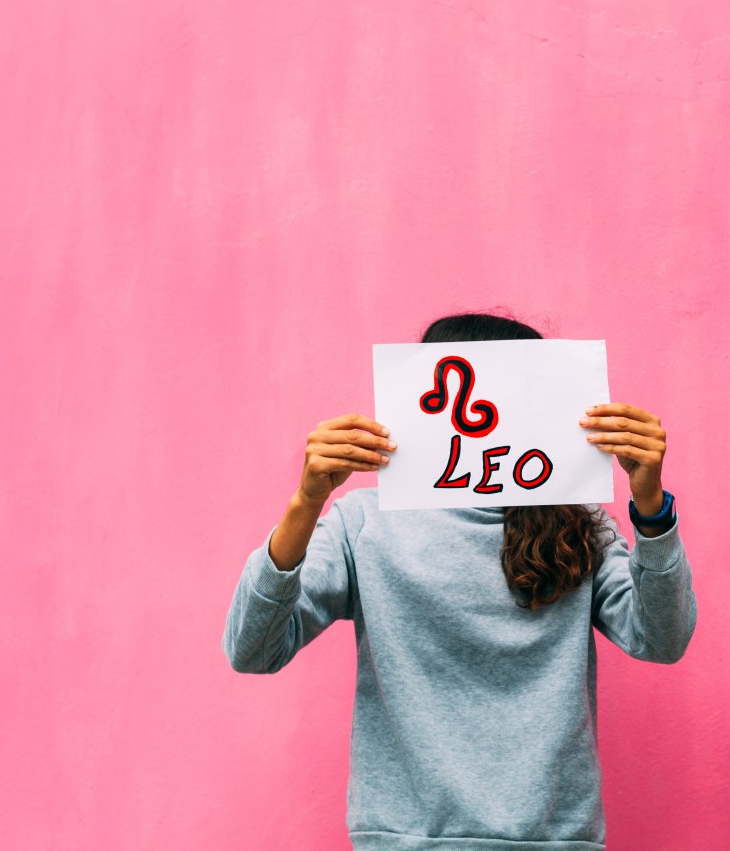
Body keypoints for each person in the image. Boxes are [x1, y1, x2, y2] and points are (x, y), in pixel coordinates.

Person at [224, 313, 697, 851]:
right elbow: (252, 648)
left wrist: (652, 508)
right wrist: (306, 504)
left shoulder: (580, 524)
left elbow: (662, 638)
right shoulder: (365, 521)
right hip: (405, 842)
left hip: (551, 839)